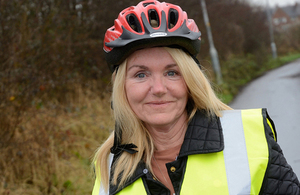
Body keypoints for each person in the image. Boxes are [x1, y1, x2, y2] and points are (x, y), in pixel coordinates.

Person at [92, 0, 300, 194]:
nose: (158, 88)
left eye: (171, 72)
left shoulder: (248, 137)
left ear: (191, 81)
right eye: (141, 74)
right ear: (122, 88)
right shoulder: (108, 165)